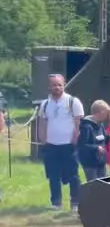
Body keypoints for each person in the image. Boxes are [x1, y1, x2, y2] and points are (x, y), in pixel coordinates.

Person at [34, 74, 84, 211]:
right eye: (54, 85)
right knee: (53, 175)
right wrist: (42, 138)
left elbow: (79, 122)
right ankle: (56, 203)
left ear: (64, 85)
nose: (57, 87)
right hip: (51, 145)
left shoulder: (73, 101)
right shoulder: (45, 104)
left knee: (73, 175)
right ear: (49, 86)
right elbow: (43, 122)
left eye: (59, 84)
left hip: (68, 145)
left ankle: (75, 203)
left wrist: (75, 138)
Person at [77, 100, 110, 182]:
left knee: (105, 184)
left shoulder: (101, 125)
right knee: (94, 186)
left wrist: (109, 136)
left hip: (101, 162)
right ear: (100, 113)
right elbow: (82, 145)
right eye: (106, 114)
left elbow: (103, 141)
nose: (107, 117)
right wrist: (97, 148)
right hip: (90, 163)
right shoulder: (86, 126)